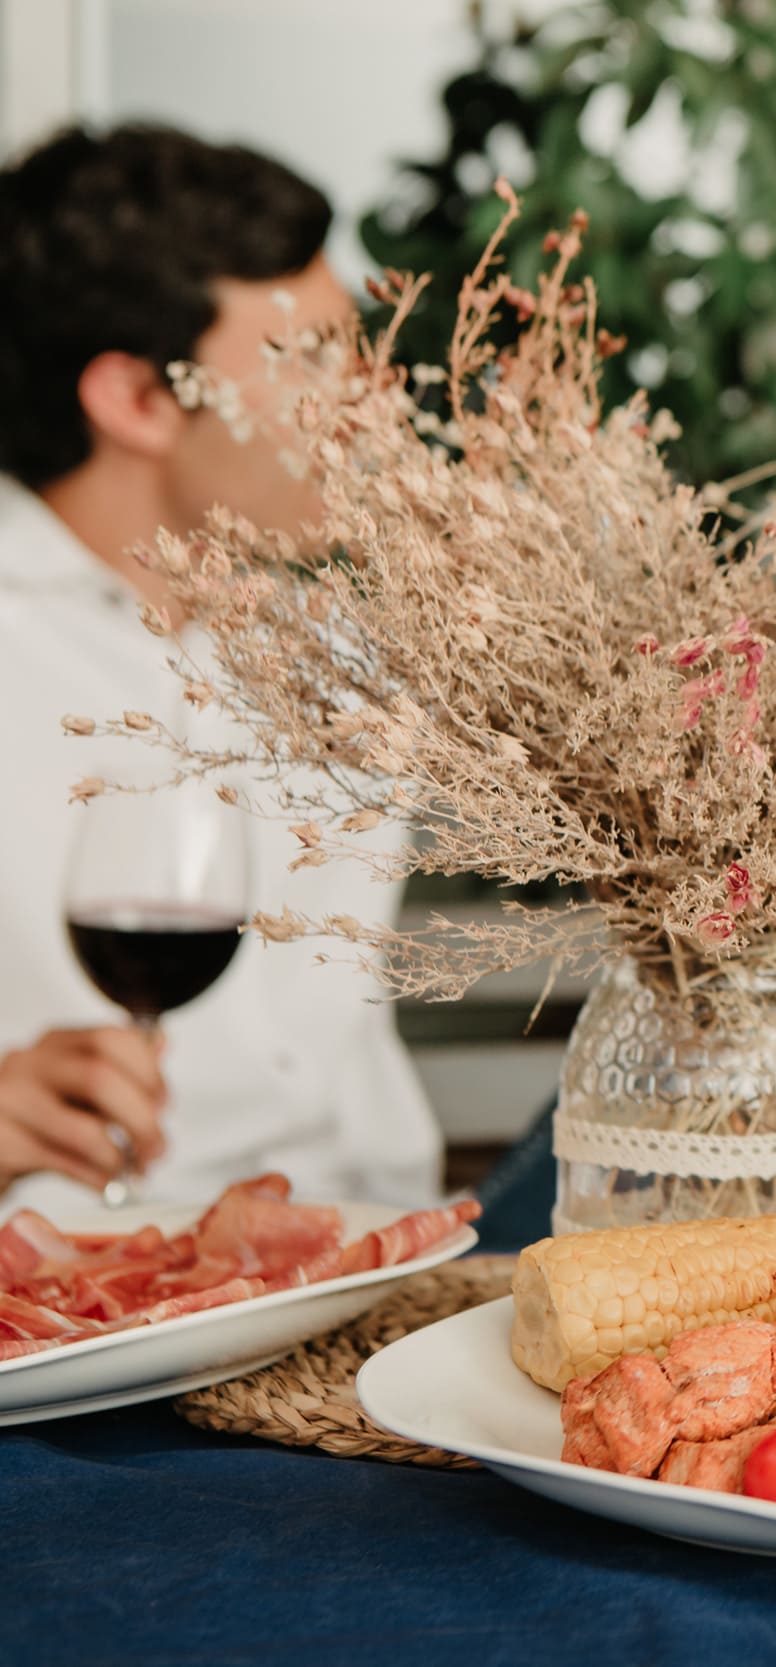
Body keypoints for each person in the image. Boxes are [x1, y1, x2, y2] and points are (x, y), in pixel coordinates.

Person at [0, 125, 440, 1210]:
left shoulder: (351, 644)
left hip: (388, 1245)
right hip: (93, 1298)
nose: (373, 404)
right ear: (139, 401)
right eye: (315, 362)